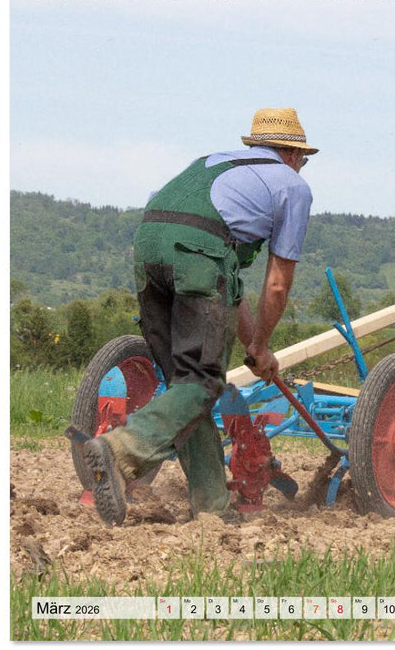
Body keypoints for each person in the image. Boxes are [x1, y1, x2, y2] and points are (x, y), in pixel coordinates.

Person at [83, 107, 317, 526]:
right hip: (197, 259)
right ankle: (122, 450)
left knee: (184, 390)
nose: (302, 165)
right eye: (303, 158)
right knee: (203, 382)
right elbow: (277, 283)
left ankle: (212, 507)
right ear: (291, 153)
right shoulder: (291, 186)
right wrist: (263, 346)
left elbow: (229, 282)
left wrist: (253, 346)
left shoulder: (209, 164)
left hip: (148, 247)